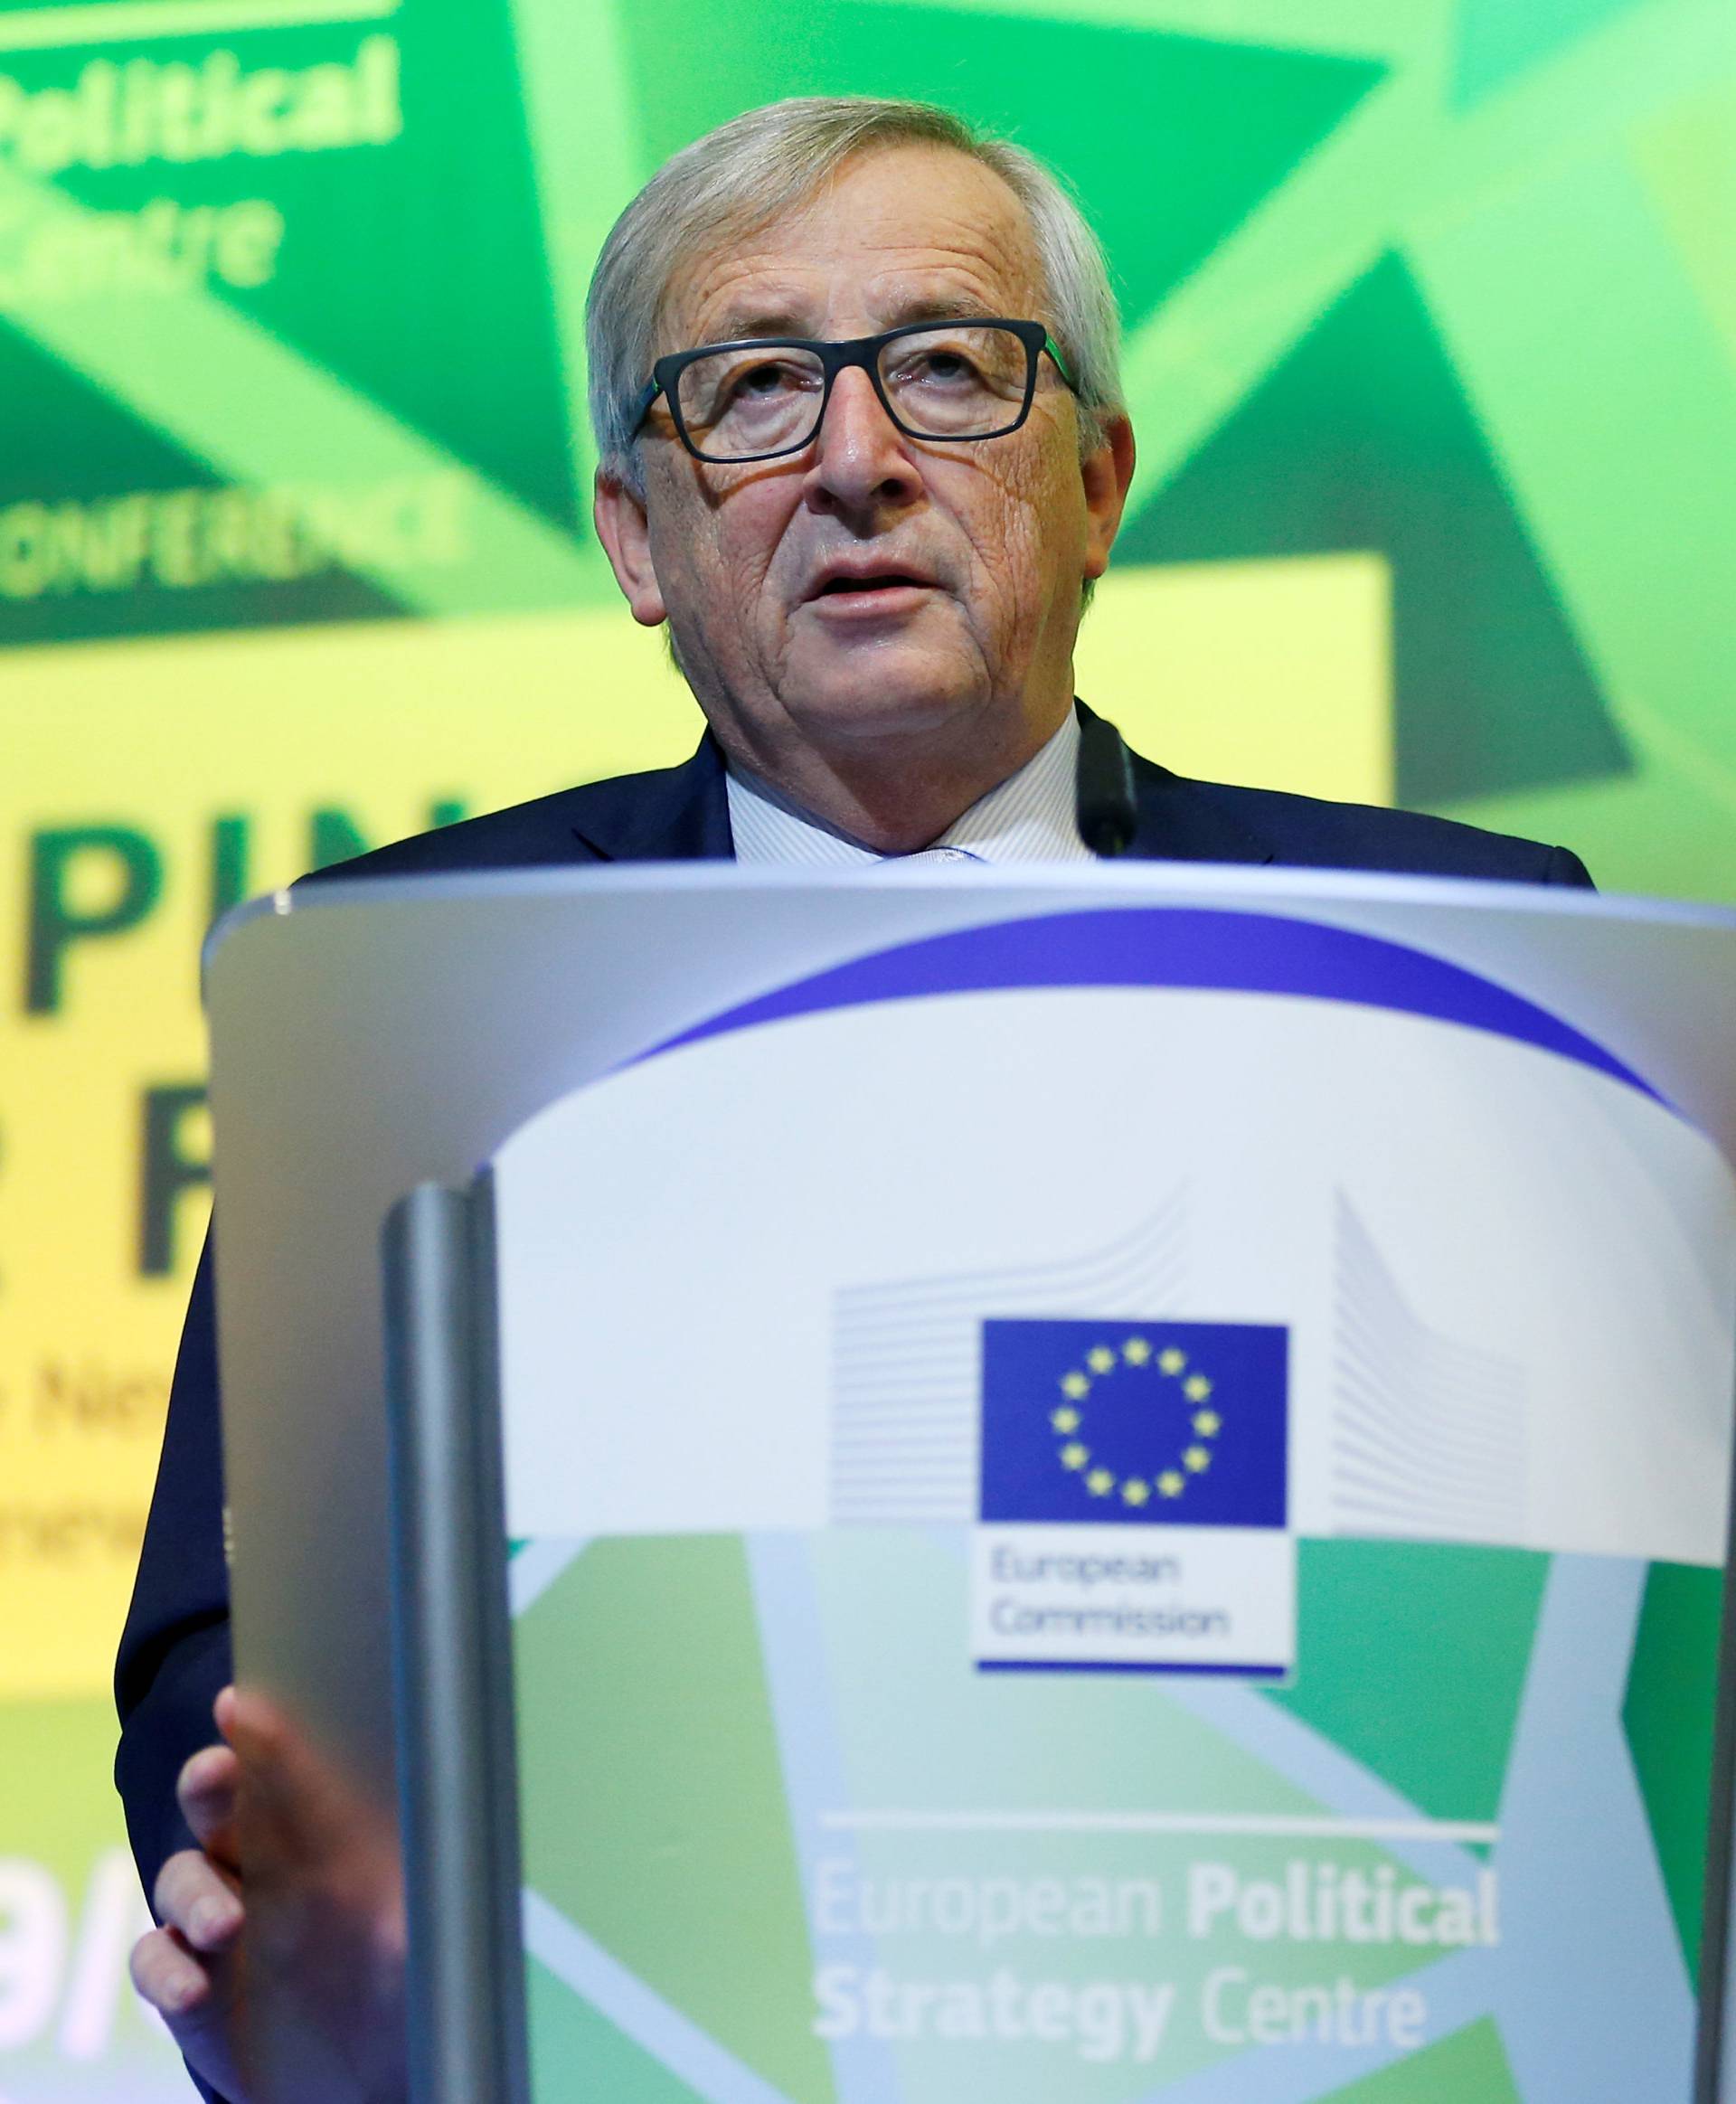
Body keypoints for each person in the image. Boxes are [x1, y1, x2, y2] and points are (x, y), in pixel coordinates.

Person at [117, 93, 1591, 2100]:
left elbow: (1615, 1614)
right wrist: (301, 1960)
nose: (857, 461)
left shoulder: (1469, 966)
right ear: (637, 539)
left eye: (949, 370)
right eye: (747, 392)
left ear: (1098, 478)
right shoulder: (405, 988)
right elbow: (234, 1648)